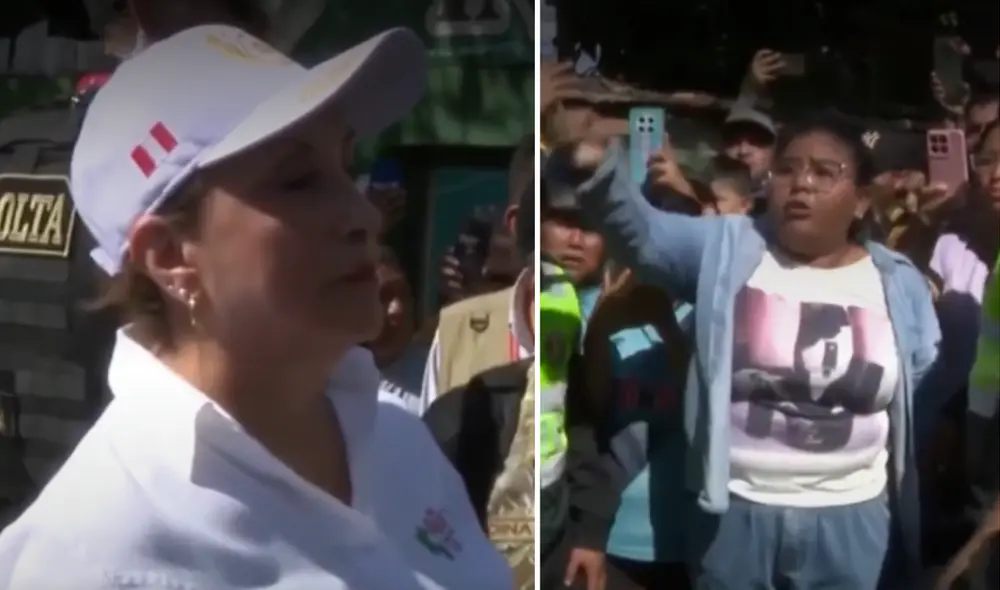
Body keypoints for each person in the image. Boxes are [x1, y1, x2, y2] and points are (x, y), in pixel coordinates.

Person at [0, 25, 512, 589]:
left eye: (345, 166)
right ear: (170, 256)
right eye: (298, 181)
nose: (362, 215)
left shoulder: (400, 441)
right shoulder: (85, 557)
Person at [548, 113, 941, 589]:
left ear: (860, 200)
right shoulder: (726, 246)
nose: (802, 184)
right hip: (735, 520)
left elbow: (918, 375)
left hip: (853, 523)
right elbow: (642, 236)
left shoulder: (898, 282)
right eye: (788, 169)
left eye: (824, 172)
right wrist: (595, 165)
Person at [419, 135, 535, 412]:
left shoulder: (606, 333)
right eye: (552, 213)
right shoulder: (456, 333)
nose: (573, 236)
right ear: (517, 223)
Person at [370, 248, 429, 414]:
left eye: (404, 295)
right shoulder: (324, 381)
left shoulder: (434, 376)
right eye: (383, 296)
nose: (398, 310)